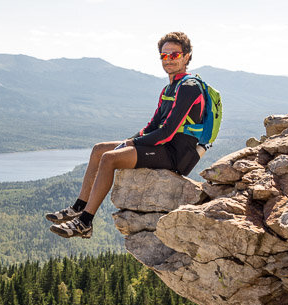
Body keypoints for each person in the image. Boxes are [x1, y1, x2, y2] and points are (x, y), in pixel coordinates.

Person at [48, 31, 206, 238]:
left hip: (175, 154)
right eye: (164, 55)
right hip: (161, 146)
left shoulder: (189, 87)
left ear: (186, 56)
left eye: (174, 55)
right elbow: (152, 126)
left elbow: (166, 133)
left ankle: (85, 222)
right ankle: (79, 205)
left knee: (109, 158)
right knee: (99, 149)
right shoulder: (170, 88)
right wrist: (128, 141)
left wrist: (133, 143)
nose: (168, 59)